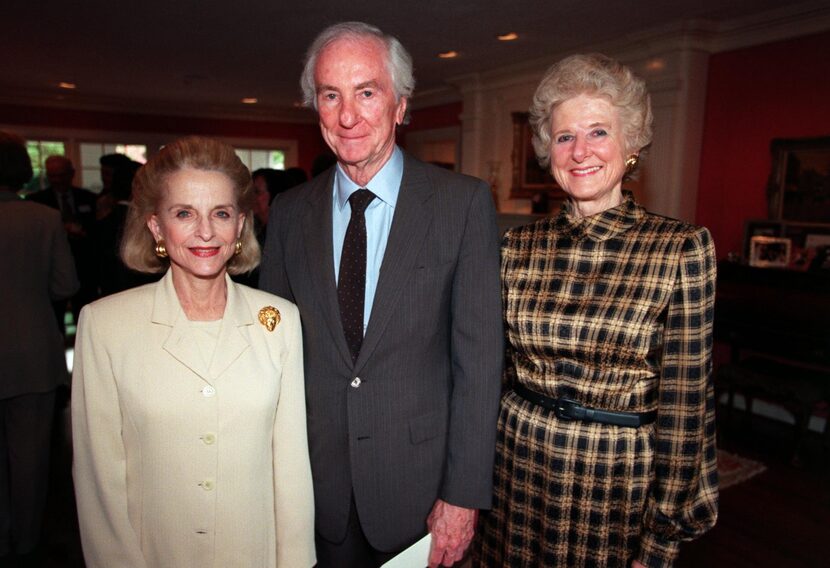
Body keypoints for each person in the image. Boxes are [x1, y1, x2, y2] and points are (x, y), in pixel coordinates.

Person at [260, 21, 503, 568]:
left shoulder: (460, 205)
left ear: (400, 105)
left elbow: (480, 362)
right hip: (316, 490)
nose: (348, 116)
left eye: (367, 92)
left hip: (421, 494)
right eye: (330, 95)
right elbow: (269, 342)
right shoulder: (290, 212)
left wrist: (463, 496)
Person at [473, 53, 718, 567]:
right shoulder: (518, 245)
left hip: (614, 485)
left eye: (598, 132)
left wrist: (661, 538)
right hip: (515, 466)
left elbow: (686, 405)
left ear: (631, 145)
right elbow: (490, 372)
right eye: (564, 137)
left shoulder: (680, 248)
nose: (580, 151)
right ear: (548, 149)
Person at [71, 136, 315, 568]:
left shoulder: (279, 320)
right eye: (184, 213)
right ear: (155, 226)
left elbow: (291, 467)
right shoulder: (105, 325)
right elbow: (98, 483)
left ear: (240, 225)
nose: (206, 232)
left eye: (220, 213)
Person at [0, 131, 79, 565]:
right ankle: (26, 545)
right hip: (30, 351)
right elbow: (65, 284)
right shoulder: (42, 218)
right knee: (29, 458)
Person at [27, 155, 99, 329]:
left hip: (84, 271)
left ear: (71, 174)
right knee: (53, 323)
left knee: (87, 322)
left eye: (61, 175)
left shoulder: (89, 198)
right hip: (51, 273)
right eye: (53, 176)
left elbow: (97, 233)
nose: (57, 180)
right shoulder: (36, 201)